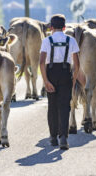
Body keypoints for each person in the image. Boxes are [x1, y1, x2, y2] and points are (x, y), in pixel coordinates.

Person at [39, 14, 80, 150]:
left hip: (50, 73)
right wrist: (73, 80)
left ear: (51, 27)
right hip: (65, 73)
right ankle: (63, 137)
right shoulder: (71, 40)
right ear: (64, 27)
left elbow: (41, 62)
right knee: (64, 107)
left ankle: (53, 137)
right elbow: (77, 63)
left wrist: (46, 81)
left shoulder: (46, 41)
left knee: (52, 106)